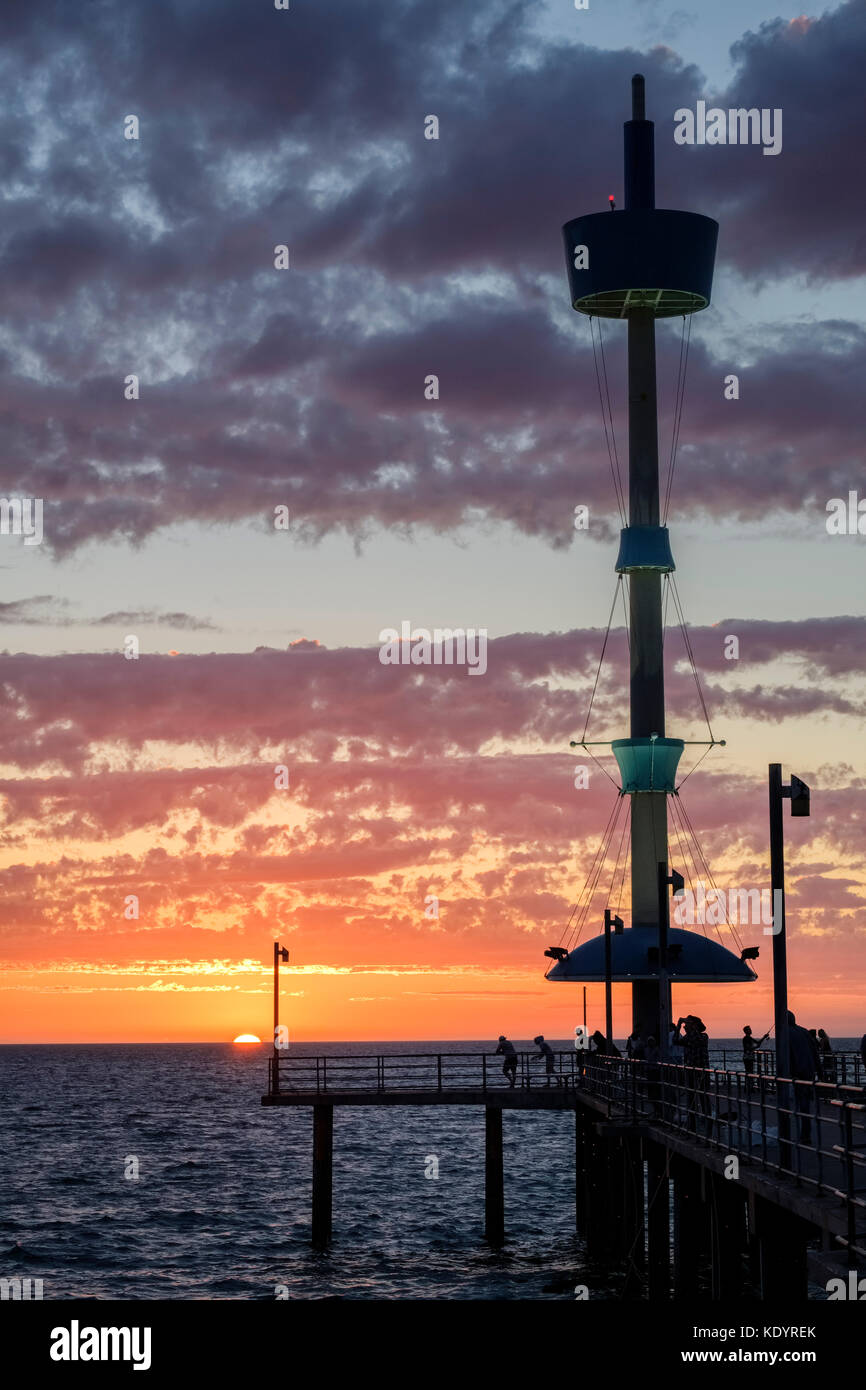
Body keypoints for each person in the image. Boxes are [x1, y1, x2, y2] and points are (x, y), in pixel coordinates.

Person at [673, 1015, 710, 1128]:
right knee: (690, 1098)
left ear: (695, 1025)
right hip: (690, 1071)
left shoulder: (703, 1036)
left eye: (687, 1024)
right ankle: (692, 1123)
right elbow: (675, 1041)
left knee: (703, 1097)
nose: (685, 1026)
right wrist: (678, 1026)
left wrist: (691, 1025)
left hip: (701, 1071)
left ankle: (707, 1119)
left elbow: (695, 1037)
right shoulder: (688, 1037)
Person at [787, 1010, 818, 1144]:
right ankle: (806, 1134)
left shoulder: (785, 1033)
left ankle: (804, 1136)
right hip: (809, 1071)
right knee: (804, 1103)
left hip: (798, 1072)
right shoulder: (804, 1031)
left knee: (802, 1104)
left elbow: (787, 1054)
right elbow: (814, 1051)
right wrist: (820, 1071)